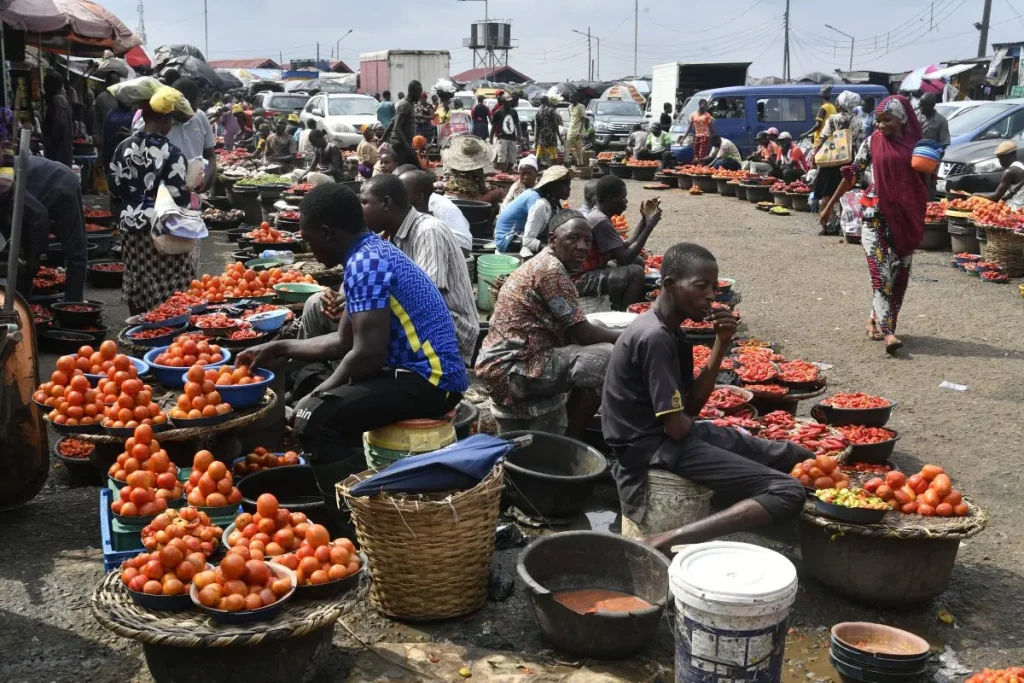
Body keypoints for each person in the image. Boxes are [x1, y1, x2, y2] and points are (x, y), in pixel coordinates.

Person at [239, 183, 467, 514]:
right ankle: (360, 489)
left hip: (432, 381)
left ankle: (355, 518)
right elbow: (342, 341)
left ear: (327, 233)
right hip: (412, 375)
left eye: (309, 239)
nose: (309, 246)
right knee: (321, 401)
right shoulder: (367, 253)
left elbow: (367, 355)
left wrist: (315, 396)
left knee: (315, 418)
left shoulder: (366, 263)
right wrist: (280, 346)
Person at [601, 243, 809, 550]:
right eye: (701, 286)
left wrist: (721, 344)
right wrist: (715, 443)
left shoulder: (672, 332)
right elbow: (678, 428)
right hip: (648, 447)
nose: (711, 296)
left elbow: (691, 408)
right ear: (669, 285)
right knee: (787, 491)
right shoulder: (654, 337)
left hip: (667, 434)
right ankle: (663, 540)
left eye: (713, 287)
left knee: (791, 454)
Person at [476, 209, 620, 437]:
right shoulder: (550, 270)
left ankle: (569, 435)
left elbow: (575, 328)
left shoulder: (543, 263)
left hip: (505, 363)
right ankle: (570, 441)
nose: (582, 247)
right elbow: (583, 334)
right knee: (608, 357)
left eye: (587, 241)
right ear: (553, 240)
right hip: (511, 368)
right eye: (573, 238)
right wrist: (630, 335)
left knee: (593, 365)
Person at [819, 95, 928, 355]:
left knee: (898, 276)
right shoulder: (871, 143)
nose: (880, 125)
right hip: (874, 217)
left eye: (887, 120)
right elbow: (853, 175)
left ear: (901, 119)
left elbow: (923, 184)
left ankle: (875, 318)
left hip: (904, 219)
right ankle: (890, 333)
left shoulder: (917, 147)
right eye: (878, 121)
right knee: (880, 275)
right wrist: (828, 206)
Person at [364, 172, 478, 364]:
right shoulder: (393, 235)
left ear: (385, 203)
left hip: (451, 329)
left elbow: (426, 300)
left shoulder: (428, 231)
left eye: (364, 202)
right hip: (425, 319)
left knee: (367, 325)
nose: (361, 210)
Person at [108, 87, 197, 314]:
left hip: (129, 226)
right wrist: (192, 190)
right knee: (171, 278)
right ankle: (165, 328)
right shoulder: (172, 152)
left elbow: (114, 187)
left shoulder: (123, 147)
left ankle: (137, 330)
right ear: (166, 119)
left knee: (137, 277)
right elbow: (178, 197)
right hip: (161, 228)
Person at [575, 175, 660, 309]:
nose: (626, 201)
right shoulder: (600, 221)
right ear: (610, 199)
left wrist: (644, 220)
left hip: (589, 272)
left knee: (637, 260)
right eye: (622, 197)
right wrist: (649, 227)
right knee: (636, 271)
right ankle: (625, 314)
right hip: (581, 280)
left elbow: (624, 246)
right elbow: (625, 258)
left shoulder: (598, 215)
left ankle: (619, 303)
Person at [814, 91, 864, 232]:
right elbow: (860, 145)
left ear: (841, 104)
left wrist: (815, 155)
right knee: (845, 195)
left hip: (831, 161)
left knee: (826, 194)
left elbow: (823, 137)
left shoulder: (833, 119)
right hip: (848, 162)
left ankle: (825, 226)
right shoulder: (858, 122)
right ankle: (844, 227)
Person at [519, 166, 573, 257]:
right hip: (535, 255)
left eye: (569, 184)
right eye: (566, 185)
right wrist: (550, 249)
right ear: (552, 186)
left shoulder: (556, 204)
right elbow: (527, 240)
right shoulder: (541, 206)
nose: (569, 188)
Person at [441, 136, 503, 204]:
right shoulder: (477, 170)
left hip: (449, 197)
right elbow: (483, 190)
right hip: (470, 202)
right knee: (497, 192)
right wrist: (491, 189)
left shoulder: (453, 166)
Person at [972, 141, 1024, 206]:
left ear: (1006, 157)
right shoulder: (1021, 165)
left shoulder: (1009, 172)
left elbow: (995, 197)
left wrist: (977, 195)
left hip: (1016, 207)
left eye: (1000, 159)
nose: (999, 162)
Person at [42, 72, 74, 167]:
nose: (44, 86)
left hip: (59, 153)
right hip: (62, 152)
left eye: (46, 83)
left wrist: (50, 142)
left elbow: (60, 125)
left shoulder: (57, 100)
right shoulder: (62, 98)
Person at [388, 82, 423, 168]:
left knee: (415, 169)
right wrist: (407, 146)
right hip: (399, 145)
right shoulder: (405, 105)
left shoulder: (410, 104)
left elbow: (393, 121)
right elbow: (397, 127)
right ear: (412, 92)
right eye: (419, 93)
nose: (420, 95)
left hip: (405, 144)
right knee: (406, 170)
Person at [490, 94, 521, 172]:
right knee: (501, 158)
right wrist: (491, 139)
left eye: (510, 101)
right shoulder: (498, 112)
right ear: (503, 101)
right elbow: (493, 127)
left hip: (512, 138)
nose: (509, 103)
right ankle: (503, 173)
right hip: (502, 137)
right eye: (507, 101)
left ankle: (506, 171)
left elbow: (517, 124)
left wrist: (520, 135)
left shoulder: (514, 112)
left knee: (512, 158)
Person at [93, 73, 120, 157]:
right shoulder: (101, 98)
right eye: (114, 82)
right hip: (104, 138)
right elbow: (97, 119)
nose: (116, 84)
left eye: (117, 82)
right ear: (108, 83)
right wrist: (96, 136)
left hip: (119, 137)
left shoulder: (121, 97)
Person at [534, 96, 563, 167]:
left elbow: (537, 127)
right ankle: (553, 170)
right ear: (547, 101)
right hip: (550, 137)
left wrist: (536, 140)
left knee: (539, 156)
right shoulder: (551, 110)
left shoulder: (538, 111)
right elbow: (555, 124)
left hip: (541, 137)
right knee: (553, 156)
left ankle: (538, 170)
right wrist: (559, 137)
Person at [564, 94, 586, 168]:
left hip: (578, 132)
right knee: (566, 150)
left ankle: (581, 166)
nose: (570, 99)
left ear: (576, 98)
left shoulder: (581, 106)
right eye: (569, 97)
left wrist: (579, 133)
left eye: (572, 97)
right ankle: (566, 166)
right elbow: (572, 119)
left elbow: (583, 121)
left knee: (578, 151)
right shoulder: (569, 107)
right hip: (570, 131)